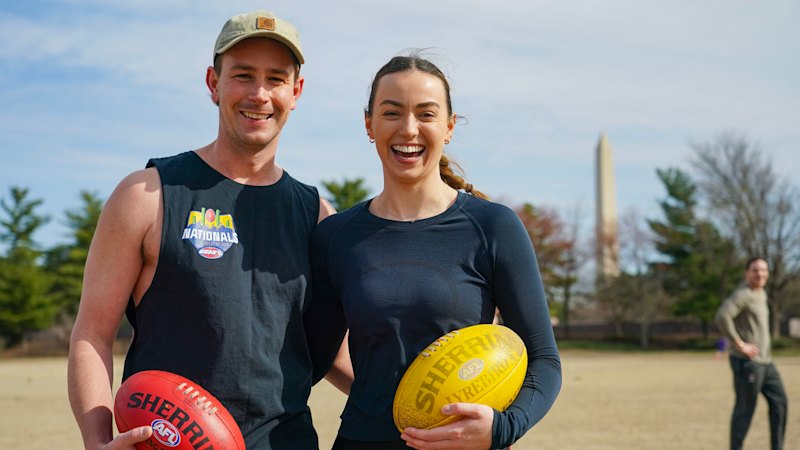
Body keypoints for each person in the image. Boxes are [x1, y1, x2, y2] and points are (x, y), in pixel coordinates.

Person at [67, 10, 335, 450]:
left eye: (275, 79)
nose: (259, 94)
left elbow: (332, 353)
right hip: (170, 441)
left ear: (296, 91)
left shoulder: (316, 214)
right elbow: (92, 334)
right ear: (213, 83)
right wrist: (97, 443)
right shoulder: (147, 194)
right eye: (243, 75)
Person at [305, 53, 562, 450]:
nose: (409, 129)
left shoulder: (493, 226)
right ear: (369, 124)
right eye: (392, 113)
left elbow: (543, 359)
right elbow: (310, 357)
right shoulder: (336, 236)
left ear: (449, 127)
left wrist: (502, 427)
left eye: (426, 114)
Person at [715, 257, 788, 450]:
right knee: (745, 411)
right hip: (748, 363)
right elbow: (722, 316)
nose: (760, 274)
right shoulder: (743, 294)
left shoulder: (761, 294)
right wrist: (739, 344)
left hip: (766, 362)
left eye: (764, 270)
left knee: (780, 404)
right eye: (755, 270)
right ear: (746, 272)